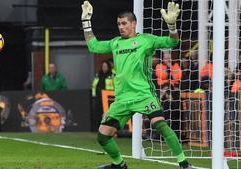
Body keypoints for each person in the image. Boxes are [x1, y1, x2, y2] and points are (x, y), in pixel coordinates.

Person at [81, 1, 191, 169]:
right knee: (103, 136)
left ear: (133, 24)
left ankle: (184, 163)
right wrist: (86, 22)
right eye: (118, 24)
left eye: (124, 23)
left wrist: (172, 26)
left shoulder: (146, 40)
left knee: (160, 124)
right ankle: (119, 164)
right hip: (122, 99)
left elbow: (172, 42)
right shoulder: (115, 43)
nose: (121, 27)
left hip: (143, 94)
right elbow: (93, 46)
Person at [92, 60, 115, 131]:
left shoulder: (112, 75)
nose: (104, 68)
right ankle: (97, 128)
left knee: (107, 113)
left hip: (108, 97)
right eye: (103, 66)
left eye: (105, 66)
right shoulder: (98, 74)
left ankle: (107, 128)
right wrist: (94, 95)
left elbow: (116, 86)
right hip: (98, 97)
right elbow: (94, 85)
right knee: (97, 113)